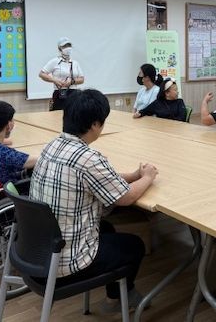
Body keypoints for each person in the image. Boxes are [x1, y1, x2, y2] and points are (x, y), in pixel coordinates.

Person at [29, 89, 158, 311]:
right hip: (64, 264)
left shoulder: (52, 145)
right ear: (96, 124)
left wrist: (133, 175)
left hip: (36, 253)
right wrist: (148, 177)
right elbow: (125, 198)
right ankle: (117, 299)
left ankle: (116, 295)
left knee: (107, 228)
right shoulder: (88, 158)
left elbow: (101, 179)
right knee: (134, 245)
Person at [39, 37, 84, 111]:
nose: (68, 48)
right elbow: (42, 74)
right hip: (60, 93)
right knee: (58, 116)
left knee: (74, 115)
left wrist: (72, 81)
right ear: (60, 48)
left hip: (74, 93)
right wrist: (55, 80)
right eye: (65, 46)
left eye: (69, 45)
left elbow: (82, 79)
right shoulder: (55, 61)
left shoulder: (75, 63)